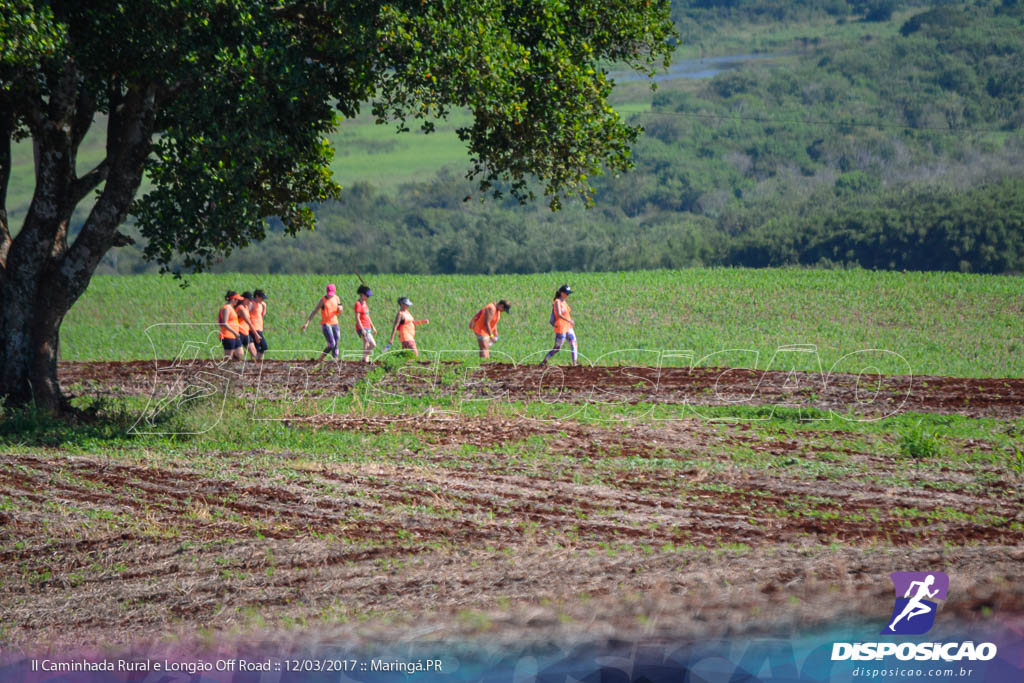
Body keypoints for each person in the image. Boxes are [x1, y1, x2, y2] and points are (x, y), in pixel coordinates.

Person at [301, 283, 342, 362]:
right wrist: (307, 323)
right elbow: (315, 311)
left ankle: (335, 359)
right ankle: (321, 358)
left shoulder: (337, 298)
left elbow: (339, 311)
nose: (330, 295)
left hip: (335, 323)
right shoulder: (323, 300)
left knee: (336, 342)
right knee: (332, 344)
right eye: (329, 294)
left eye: (332, 294)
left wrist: (340, 309)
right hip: (326, 324)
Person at [541, 284, 577, 366]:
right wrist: (569, 320)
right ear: (561, 293)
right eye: (566, 293)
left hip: (568, 327)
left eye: (568, 294)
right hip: (561, 327)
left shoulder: (564, 302)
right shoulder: (557, 302)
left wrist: (569, 322)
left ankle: (574, 363)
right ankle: (544, 361)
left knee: (573, 343)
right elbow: (559, 314)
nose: (567, 295)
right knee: (557, 348)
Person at [353, 284, 378, 364]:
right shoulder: (358, 304)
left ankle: (365, 360)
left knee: (366, 343)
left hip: (368, 327)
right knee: (373, 344)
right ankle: (364, 358)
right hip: (362, 327)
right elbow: (357, 318)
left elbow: (367, 316)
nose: (368, 297)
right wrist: (362, 329)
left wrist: (373, 326)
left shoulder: (365, 303)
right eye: (367, 295)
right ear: (362, 294)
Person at [218, 290, 244, 361]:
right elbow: (225, 323)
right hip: (227, 335)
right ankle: (225, 370)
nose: (237, 301)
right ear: (232, 299)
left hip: (234, 335)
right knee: (228, 357)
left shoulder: (231, 308)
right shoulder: (226, 308)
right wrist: (234, 332)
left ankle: (233, 367)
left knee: (240, 353)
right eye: (236, 299)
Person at [236, 292, 259, 359]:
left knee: (254, 353)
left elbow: (252, 305)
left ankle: (253, 368)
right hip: (239, 332)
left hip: (246, 332)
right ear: (244, 299)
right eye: (249, 300)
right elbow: (248, 322)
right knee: (239, 354)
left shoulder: (246, 307)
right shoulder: (240, 308)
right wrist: (256, 334)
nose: (250, 301)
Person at [250, 289, 268, 361]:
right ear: (257, 296)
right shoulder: (251, 304)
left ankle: (257, 362)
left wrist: (265, 307)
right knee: (264, 346)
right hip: (254, 328)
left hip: (260, 328)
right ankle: (257, 361)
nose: (263, 299)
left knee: (258, 348)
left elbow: (262, 315)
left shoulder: (261, 304)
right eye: (262, 298)